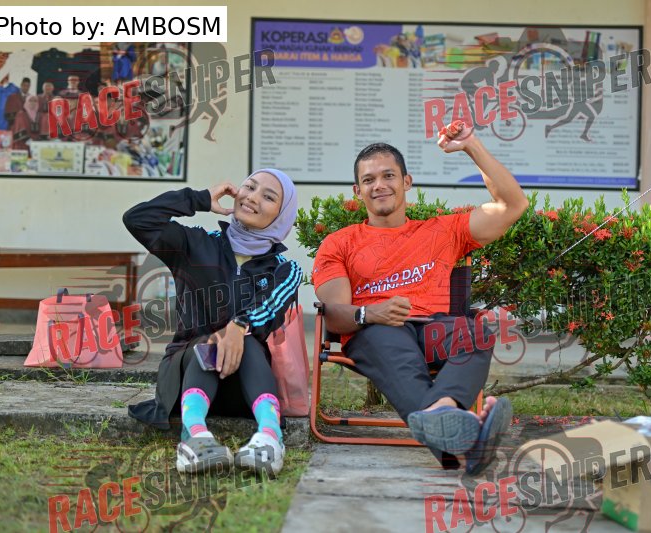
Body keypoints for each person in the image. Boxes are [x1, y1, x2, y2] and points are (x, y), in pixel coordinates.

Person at [312, 122, 529, 475]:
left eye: (388, 175)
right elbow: (335, 315)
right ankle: (466, 439)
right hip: (376, 331)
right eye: (369, 180)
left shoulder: (443, 230)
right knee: (391, 341)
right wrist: (372, 313)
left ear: (406, 181)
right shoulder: (340, 243)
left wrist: (471, 145)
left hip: (433, 328)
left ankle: (447, 419)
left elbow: (512, 204)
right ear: (358, 190)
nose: (379, 185)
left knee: (476, 332)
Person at [124, 169, 301, 475]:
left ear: (281, 215)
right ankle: (194, 437)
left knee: (246, 340)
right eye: (249, 187)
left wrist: (237, 327)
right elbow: (138, 219)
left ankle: (270, 438)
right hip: (185, 379)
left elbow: (269, 308)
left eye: (268, 197)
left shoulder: (285, 269)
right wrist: (200, 199)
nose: (253, 198)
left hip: (245, 388)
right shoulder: (195, 244)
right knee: (209, 343)